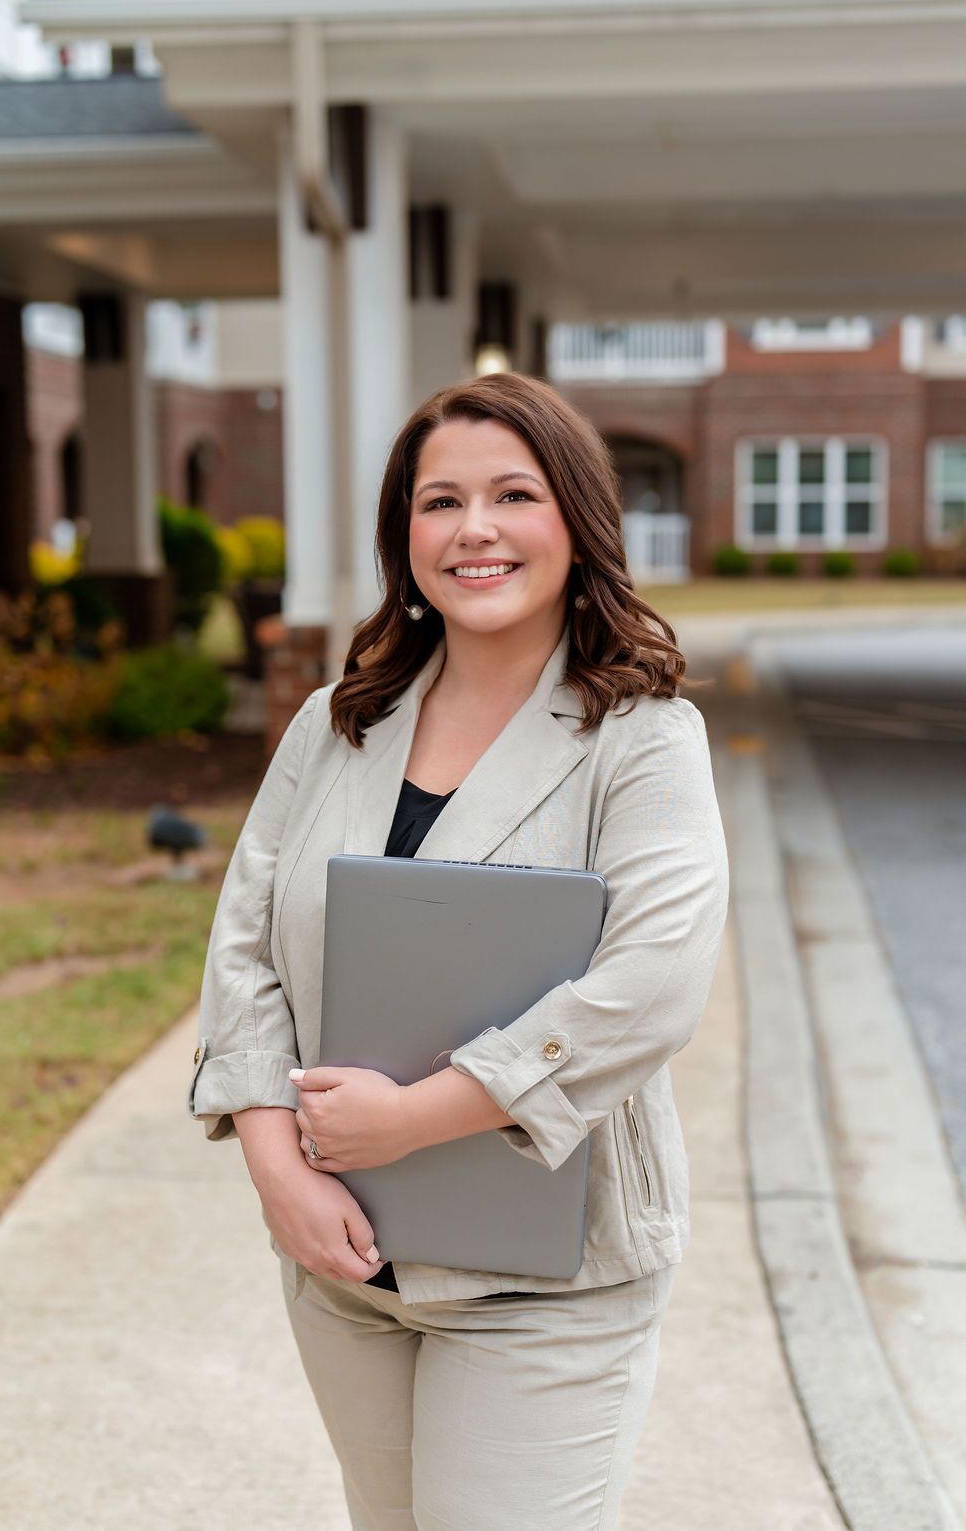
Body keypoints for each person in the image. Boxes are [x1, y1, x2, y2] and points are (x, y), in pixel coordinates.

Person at [188, 371, 730, 1530]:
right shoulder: (339, 720)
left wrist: (417, 1115)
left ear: (576, 525)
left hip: (550, 1273)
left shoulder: (641, 738)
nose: (473, 530)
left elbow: (653, 986)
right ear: (405, 535)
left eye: (511, 495)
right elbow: (244, 943)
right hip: (346, 1261)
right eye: (439, 502)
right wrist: (277, 1166)